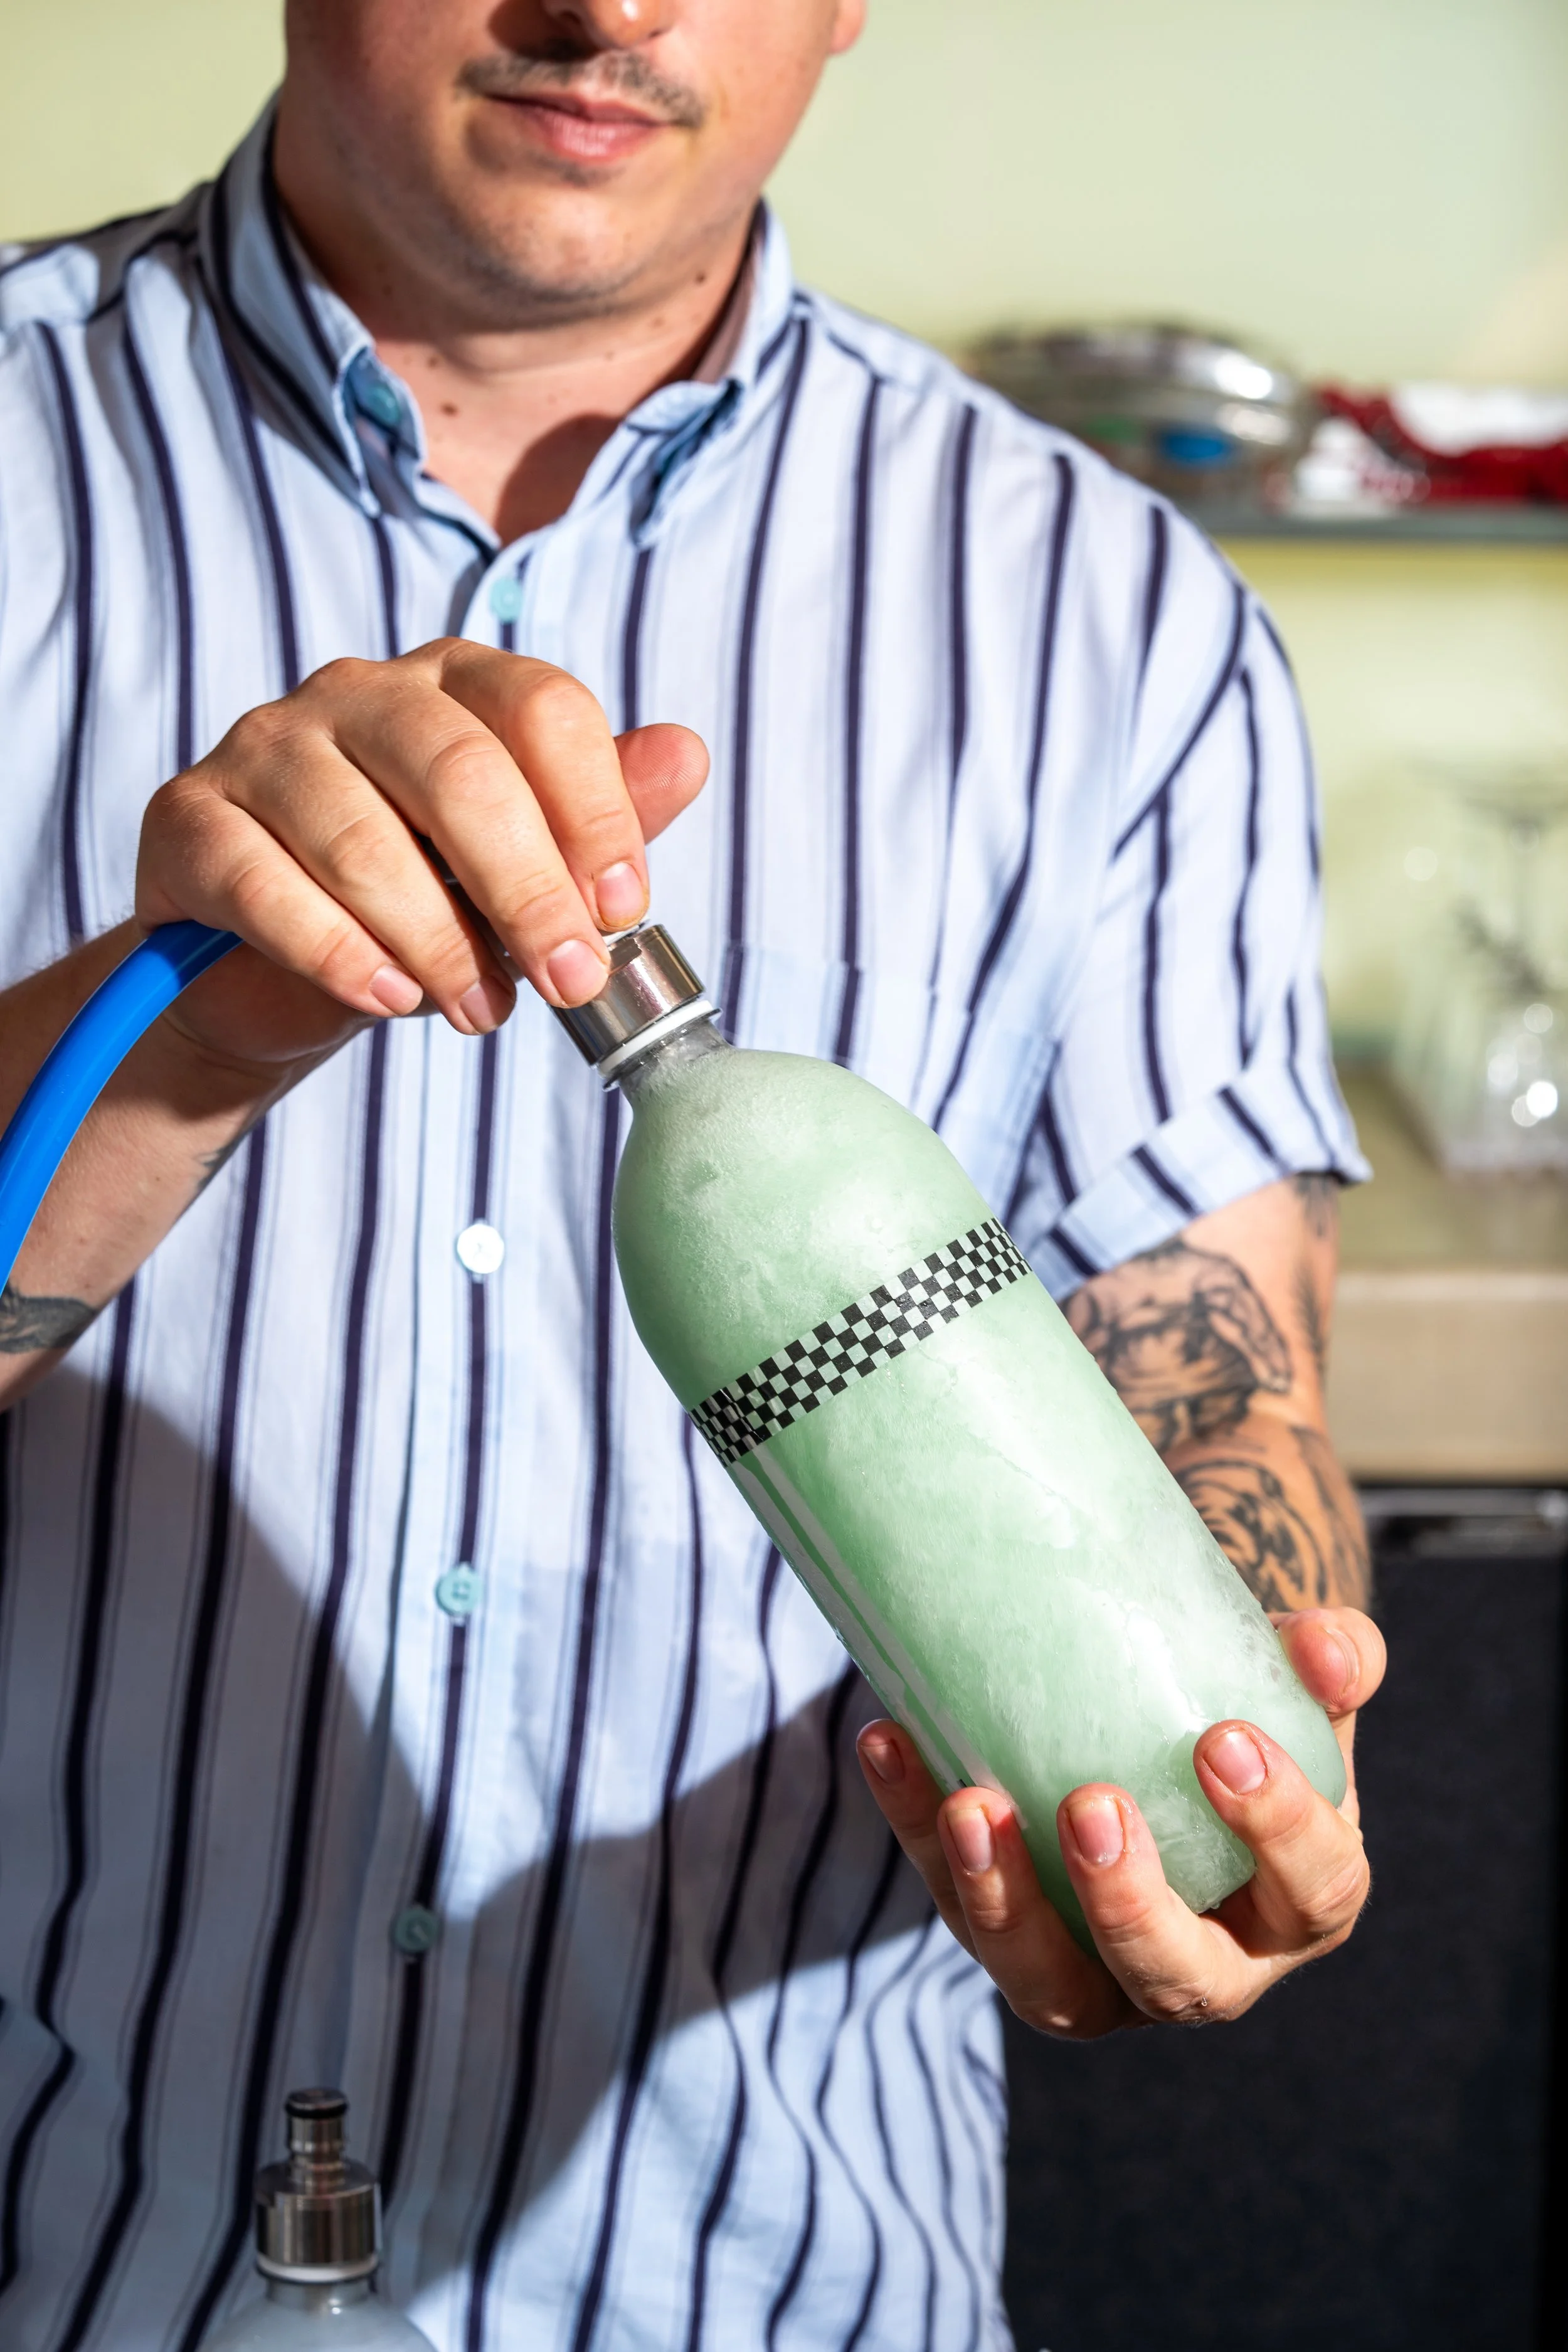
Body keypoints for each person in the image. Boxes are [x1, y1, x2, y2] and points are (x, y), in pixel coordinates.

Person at [0, 3, 1384, 2344]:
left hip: (771, 2274)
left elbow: (1217, 1380)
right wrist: (179, 1045)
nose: (611, 6)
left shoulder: (1113, 624)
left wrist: (1236, 1769)